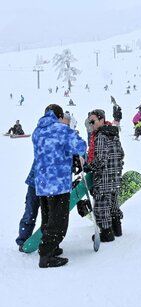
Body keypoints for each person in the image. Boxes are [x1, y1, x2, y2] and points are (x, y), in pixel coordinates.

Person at [32, 104, 87, 267]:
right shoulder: (62, 130)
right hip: (58, 183)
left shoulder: (37, 131)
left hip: (42, 183)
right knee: (58, 221)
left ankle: (51, 246)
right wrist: (74, 135)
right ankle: (46, 255)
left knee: (48, 218)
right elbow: (81, 146)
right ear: (60, 116)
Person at [86, 109, 125, 241]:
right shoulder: (113, 133)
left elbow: (101, 159)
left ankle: (106, 233)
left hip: (104, 177)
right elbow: (121, 154)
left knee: (102, 204)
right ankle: (117, 228)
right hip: (115, 175)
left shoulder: (101, 136)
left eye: (93, 121)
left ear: (101, 119)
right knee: (113, 202)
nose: (91, 124)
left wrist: (89, 166)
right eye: (89, 122)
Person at [16, 163, 40, 252]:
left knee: (49, 214)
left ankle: (48, 240)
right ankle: (22, 240)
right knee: (30, 213)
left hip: (50, 186)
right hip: (35, 183)